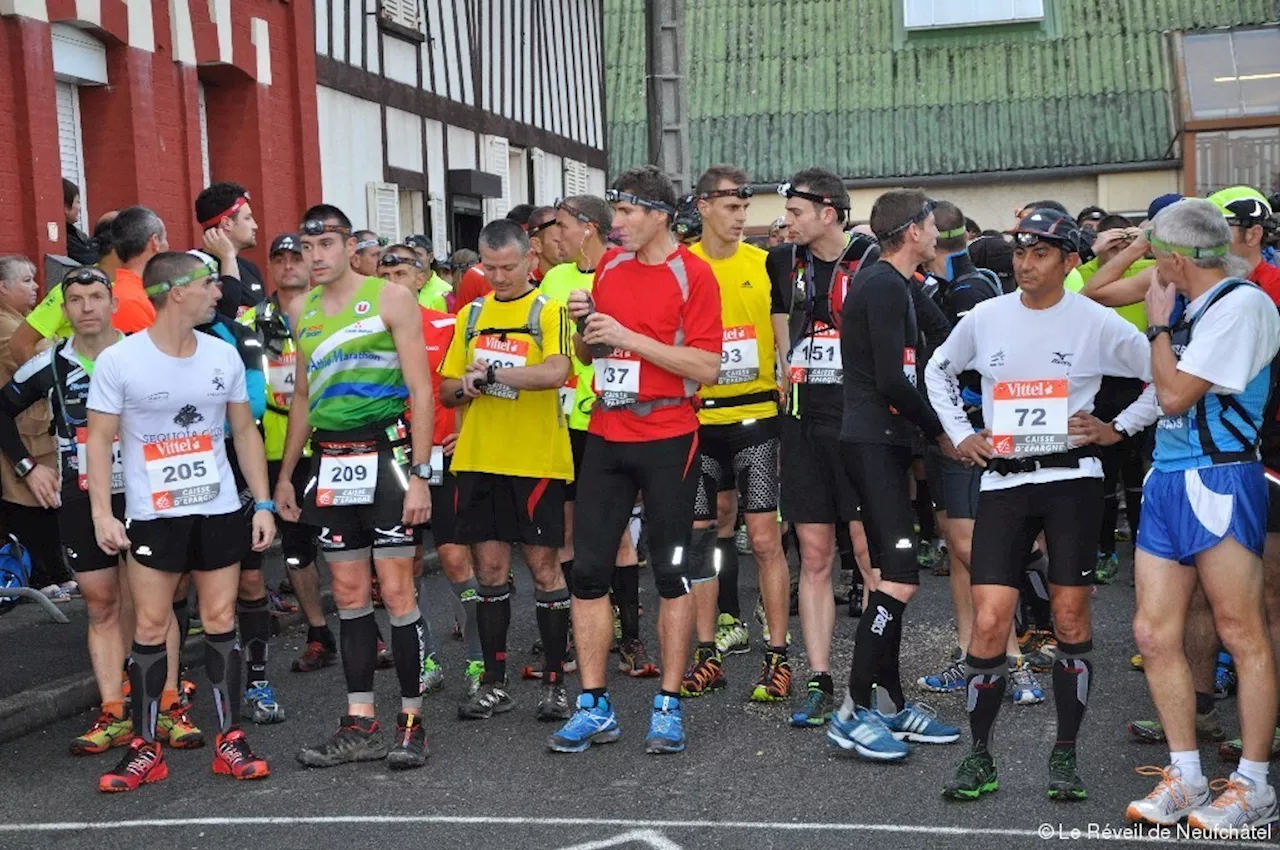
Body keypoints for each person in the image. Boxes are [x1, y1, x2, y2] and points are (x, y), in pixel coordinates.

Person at [926, 207, 1156, 802]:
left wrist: (1117, 428)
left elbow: (1162, 376)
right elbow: (938, 369)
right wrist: (960, 432)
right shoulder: (986, 316)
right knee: (990, 621)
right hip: (1004, 483)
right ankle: (980, 756)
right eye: (1020, 252)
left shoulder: (1094, 320)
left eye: (1041, 253)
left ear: (1070, 261)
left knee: (1071, 619)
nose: (1026, 264)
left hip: (1072, 481)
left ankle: (1065, 755)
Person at [548, 165, 721, 755]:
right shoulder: (611, 268)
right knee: (590, 572)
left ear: (657, 216)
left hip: (671, 435)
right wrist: (584, 330)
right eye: (614, 214)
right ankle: (594, 704)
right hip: (608, 432)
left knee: (670, 574)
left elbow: (706, 367)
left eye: (624, 214)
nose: (614, 225)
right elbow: (591, 355)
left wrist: (627, 334)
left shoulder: (694, 275)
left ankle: (668, 705)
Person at [87, 250, 275, 791]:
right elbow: (98, 442)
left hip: (216, 508)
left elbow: (244, 432)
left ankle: (230, 739)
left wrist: (260, 504)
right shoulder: (121, 361)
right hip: (153, 515)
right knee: (149, 626)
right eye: (209, 283)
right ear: (176, 291)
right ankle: (145, 749)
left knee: (220, 621)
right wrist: (104, 512)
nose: (219, 292)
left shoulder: (222, 355)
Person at [1124, 199, 1280, 835]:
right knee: (1153, 634)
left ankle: (1254, 784)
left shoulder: (1242, 304)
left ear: (1176, 258)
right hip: (1167, 477)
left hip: (1221, 475)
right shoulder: (1190, 301)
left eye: (1157, 251)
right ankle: (1184, 774)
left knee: (1241, 631)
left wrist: (1159, 327)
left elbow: (1173, 395)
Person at [277, 204, 434, 771]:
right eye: (305, 247)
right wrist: (285, 479)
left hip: (386, 455)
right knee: (346, 597)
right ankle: (360, 721)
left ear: (349, 247)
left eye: (325, 246)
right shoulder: (303, 310)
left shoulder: (391, 297)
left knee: (397, 593)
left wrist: (421, 475)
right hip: (332, 459)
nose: (313, 257)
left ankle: (411, 721)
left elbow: (421, 387)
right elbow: (301, 398)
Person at [825, 190, 962, 762]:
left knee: (892, 575)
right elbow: (890, 380)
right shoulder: (880, 284)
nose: (939, 234)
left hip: (885, 442)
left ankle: (889, 703)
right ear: (911, 230)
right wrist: (941, 431)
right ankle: (854, 710)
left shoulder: (899, 282)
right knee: (900, 578)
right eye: (932, 226)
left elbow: (951, 330)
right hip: (870, 441)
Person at [440, 219, 575, 721]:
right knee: (490, 573)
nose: (498, 277)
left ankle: (557, 685)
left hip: (536, 459)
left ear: (530, 261)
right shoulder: (471, 314)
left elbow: (556, 371)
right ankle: (494, 684)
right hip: (479, 458)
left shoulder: (549, 309)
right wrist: (467, 387)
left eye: (508, 267)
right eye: (489, 267)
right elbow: (447, 387)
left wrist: (494, 374)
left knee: (545, 570)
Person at [0, 266, 134, 751]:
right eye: (75, 300)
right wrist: (27, 468)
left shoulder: (143, 351)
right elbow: (2, 410)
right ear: (64, 310)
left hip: (143, 492)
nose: (86, 308)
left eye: (96, 297)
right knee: (102, 605)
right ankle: (114, 710)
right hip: (81, 496)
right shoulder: (50, 364)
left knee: (152, 604)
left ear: (112, 302)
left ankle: (164, 701)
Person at [912, 202, 1042, 704]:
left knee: (974, 549)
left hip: (974, 431)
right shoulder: (937, 283)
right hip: (944, 429)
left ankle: (1012, 661)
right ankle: (971, 657)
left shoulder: (970, 286)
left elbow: (975, 361)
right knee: (959, 549)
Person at [766, 168, 877, 727]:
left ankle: (875, 679)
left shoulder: (872, 259)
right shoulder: (784, 262)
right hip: (803, 423)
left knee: (867, 554)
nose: (785, 223)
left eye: (795, 214)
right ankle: (819, 677)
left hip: (859, 427)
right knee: (812, 555)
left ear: (828, 212)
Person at [678, 164, 791, 704]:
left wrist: (787, 366)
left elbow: (778, 328)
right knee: (701, 537)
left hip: (755, 419)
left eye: (745, 207)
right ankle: (708, 655)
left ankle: (777, 656)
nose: (741, 217)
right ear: (703, 206)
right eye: (730, 207)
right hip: (698, 421)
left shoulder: (764, 263)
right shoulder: (681, 266)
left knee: (765, 539)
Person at [541, 196, 656, 678]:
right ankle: (578, 629)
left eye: (561, 225)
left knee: (620, 539)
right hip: (566, 423)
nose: (554, 235)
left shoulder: (621, 268)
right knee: (570, 533)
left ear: (588, 228)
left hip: (614, 418)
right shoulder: (553, 279)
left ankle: (630, 639)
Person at [378, 243, 484, 696]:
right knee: (403, 565)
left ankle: (481, 661)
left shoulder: (447, 325)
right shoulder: (367, 331)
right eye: (385, 272)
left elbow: (470, 384)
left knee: (456, 557)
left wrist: (467, 431)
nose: (393, 280)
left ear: (423, 279)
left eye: (403, 272)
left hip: (440, 454)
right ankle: (423, 659)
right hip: (388, 457)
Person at [238, 235, 337, 676]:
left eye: (297, 257)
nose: (289, 265)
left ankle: (368, 632)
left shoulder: (334, 310)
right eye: (279, 259)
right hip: (275, 446)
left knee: (348, 543)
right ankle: (319, 633)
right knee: (296, 547)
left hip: (334, 439)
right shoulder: (250, 320)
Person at [0, 255, 72, 599]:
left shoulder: (23, 321)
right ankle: (39, 576)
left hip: (35, 428)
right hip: (16, 431)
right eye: (26, 281)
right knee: (27, 502)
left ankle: (53, 572)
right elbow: (46, 356)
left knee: (46, 502)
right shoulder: (6, 325)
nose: (36, 287)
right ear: (3, 287)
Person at [12, 211, 126, 364]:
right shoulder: (72, 289)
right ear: (117, 246)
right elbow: (20, 344)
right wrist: (48, 384)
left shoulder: (144, 285)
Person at [195, 182, 265, 319]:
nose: (255, 225)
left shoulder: (251, 269)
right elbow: (226, 314)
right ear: (227, 223)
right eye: (247, 218)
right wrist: (228, 257)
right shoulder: (194, 269)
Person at [64, 178, 98, 265]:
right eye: (77, 202)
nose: (79, 207)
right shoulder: (66, 238)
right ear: (65, 206)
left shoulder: (74, 234)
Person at [527, 206, 564, 282]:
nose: (568, 245)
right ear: (536, 245)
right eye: (558, 241)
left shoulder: (589, 279)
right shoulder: (522, 289)